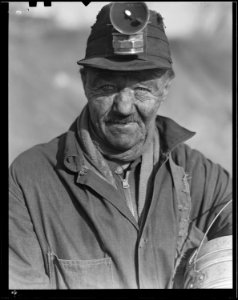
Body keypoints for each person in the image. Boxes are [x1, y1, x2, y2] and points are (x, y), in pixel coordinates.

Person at [9, 2, 232, 289]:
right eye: (108, 87)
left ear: (165, 87)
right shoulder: (29, 182)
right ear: (85, 83)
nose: (124, 107)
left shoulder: (199, 176)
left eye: (142, 88)